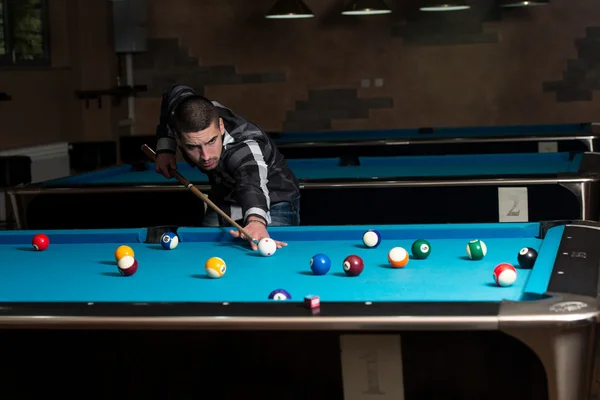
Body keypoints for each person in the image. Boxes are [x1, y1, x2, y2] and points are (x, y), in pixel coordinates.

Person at [154, 84, 301, 251]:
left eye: (211, 141)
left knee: (266, 254)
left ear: (221, 126)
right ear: (178, 138)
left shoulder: (244, 147)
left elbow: (252, 183)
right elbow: (173, 92)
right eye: (193, 147)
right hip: (224, 192)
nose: (206, 156)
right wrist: (165, 148)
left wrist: (256, 220)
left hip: (274, 197)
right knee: (206, 251)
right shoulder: (181, 108)